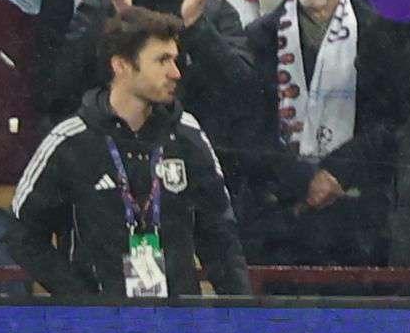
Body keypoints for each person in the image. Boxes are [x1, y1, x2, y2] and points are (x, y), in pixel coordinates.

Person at [14, 20, 254, 300]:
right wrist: (79, 299)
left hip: (175, 327)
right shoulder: (71, 140)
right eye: (162, 60)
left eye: (175, 60)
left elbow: (220, 237)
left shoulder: (188, 136)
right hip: (96, 332)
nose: (175, 72)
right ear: (122, 66)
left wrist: (243, 317)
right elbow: (22, 235)